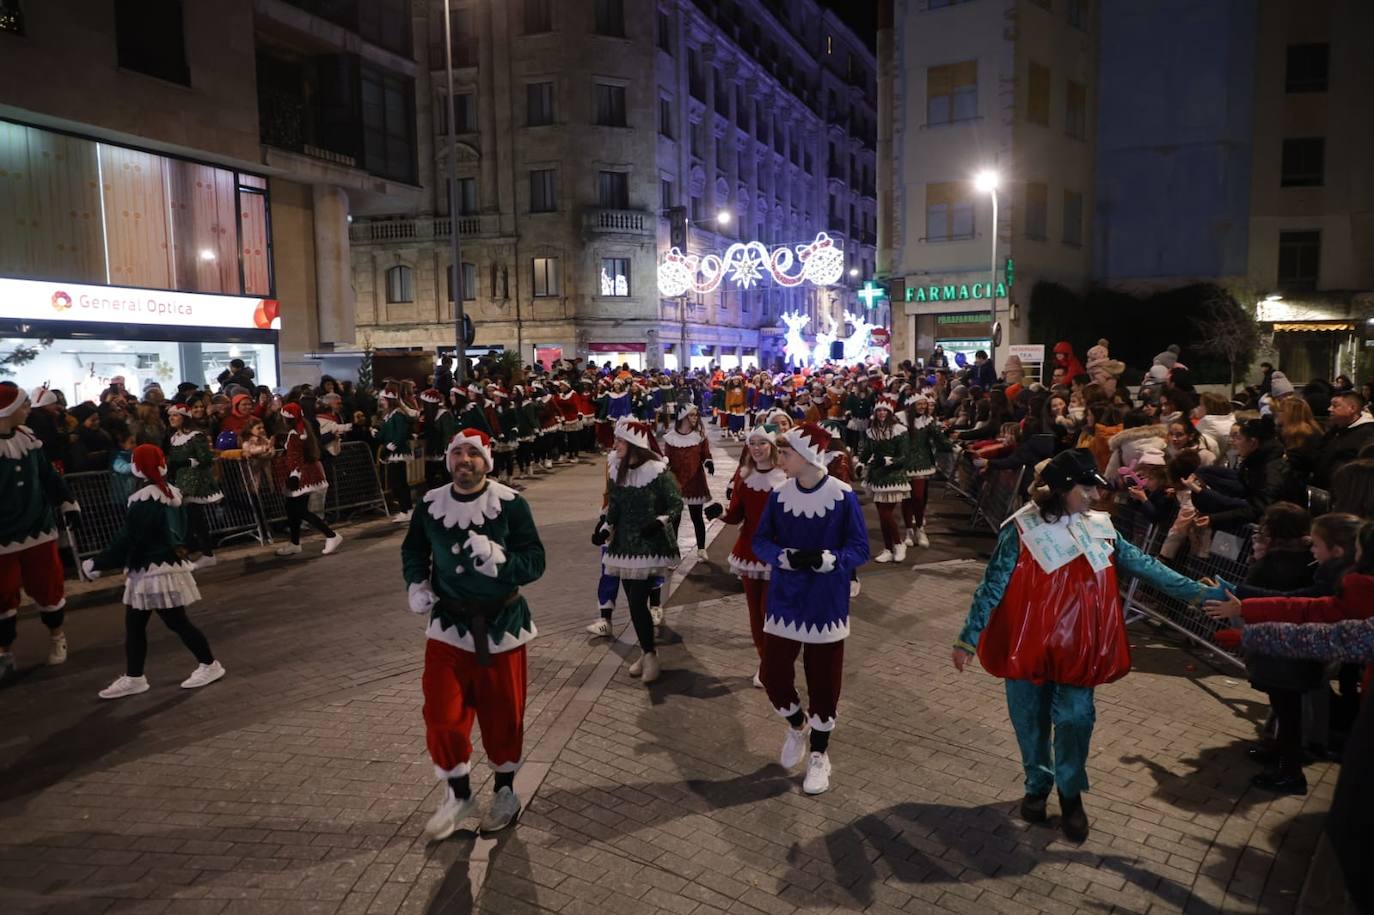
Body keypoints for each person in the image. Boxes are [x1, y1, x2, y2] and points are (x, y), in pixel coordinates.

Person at [952, 450, 1224, 842]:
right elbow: (993, 583)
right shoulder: (1021, 529)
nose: (1096, 496)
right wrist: (969, 636)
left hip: (1080, 648)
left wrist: (1197, 593)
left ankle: (1070, 795)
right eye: (1086, 489)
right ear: (1063, 489)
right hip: (1026, 644)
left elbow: (1146, 566)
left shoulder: (1102, 528)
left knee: (1075, 721)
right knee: (1029, 720)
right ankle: (1036, 785)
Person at [402, 428, 546, 840]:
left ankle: (505, 792)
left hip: (502, 628)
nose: (464, 459)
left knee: (504, 716)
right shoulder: (430, 504)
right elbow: (414, 550)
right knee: (442, 716)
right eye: (457, 452)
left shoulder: (511, 504)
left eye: (473, 453)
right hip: (448, 629)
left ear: (487, 461)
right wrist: (417, 583)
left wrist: (501, 561)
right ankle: (459, 794)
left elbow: (535, 561)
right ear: (448, 459)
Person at [751, 422, 869, 795]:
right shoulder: (779, 495)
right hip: (785, 600)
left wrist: (830, 560)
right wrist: (782, 557)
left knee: (824, 683)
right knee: (772, 674)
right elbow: (760, 540)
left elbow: (859, 548)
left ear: (806, 456)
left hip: (825, 603)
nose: (779, 459)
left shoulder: (842, 496)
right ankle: (797, 724)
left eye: (785, 453)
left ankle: (819, 754)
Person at [82, 444, 224, 699]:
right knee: (139, 624)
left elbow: (128, 539)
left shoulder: (146, 500)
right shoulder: (168, 493)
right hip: (156, 568)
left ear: (137, 468)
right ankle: (135, 676)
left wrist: (97, 563)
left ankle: (209, 664)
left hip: (153, 570)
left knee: (175, 622)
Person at [0, 383, 80, 681]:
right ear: (7, 410)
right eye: (23, 405)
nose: (27, 410)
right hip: (3, 535)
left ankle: (57, 637)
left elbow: (47, 474)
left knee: (47, 585)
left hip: (38, 528)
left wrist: (67, 502)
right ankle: (4, 651)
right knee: (2, 594)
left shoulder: (28, 439)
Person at [594, 419, 682, 684]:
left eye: (620, 440)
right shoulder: (618, 469)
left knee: (636, 601)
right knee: (634, 603)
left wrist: (660, 522)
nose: (615, 445)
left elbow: (675, 504)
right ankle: (646, 652)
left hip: (649, 545)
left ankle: (651, 655)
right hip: (624, 547)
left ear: (633, 443)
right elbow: (615, 507)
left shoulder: (657, 471)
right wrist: (605, 528)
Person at [720, 424, 787, 686]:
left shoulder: (786, 477)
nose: (757, 448)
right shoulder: (744, 476)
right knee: (754, 614)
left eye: (762, 443)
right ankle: (765, 663)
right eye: (753, 443)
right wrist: (720, 513)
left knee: (768, 610)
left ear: (772, 446)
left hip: (776, 552)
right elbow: (736, 514)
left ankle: (774, 662)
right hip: (748, 550)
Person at [273, 403, 343, 557]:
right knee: (292, 509)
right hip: (305, 473)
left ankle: (331, 535)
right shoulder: (304, 430)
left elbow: (295, 457)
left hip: (300, 476)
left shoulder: (295, 434)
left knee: (301, 511)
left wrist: (294, 475)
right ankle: (295, 543)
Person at [165, 403, 223, 570]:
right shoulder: (174, 438)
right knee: (190, 519)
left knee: (196, 518)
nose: (171, 418)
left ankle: (207, 554)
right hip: (182, 482)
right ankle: (194, 553)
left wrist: (188, 462)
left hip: (196, 482)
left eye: (175, 415)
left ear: (184, 418)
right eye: (170, 416)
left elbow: (206, 459)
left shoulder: (196, 436)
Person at [662, 404, 718, 560]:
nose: (695, 418)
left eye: (696, 415)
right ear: (683, 417)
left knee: (697, 517)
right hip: (677, 483)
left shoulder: (699, 436)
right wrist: (663, 466)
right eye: (692, 415)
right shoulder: (671, 438)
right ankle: (673, 554)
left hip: (695, 481)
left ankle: (701, 549)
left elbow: (705, 454)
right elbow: (667, 458)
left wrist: (708, 462)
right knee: (675, 520)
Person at [1312, 391, 1374, 490]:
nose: (1329, 409)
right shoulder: (1336, 429)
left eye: (1335, 406)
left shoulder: (1368, 435)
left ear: (1352, 408)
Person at [378, 388, 415, 522]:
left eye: (383, 400)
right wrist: (376, 434)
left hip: (398, 453)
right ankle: (404, 510)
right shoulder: (389, 416)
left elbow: (401, 433)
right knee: (396, 483)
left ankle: (407, 510)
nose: (381, 402)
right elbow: (384, 434)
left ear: (390, 400)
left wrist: (390, 447)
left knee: (400, 483)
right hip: (392, 453)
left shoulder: (398, 415)